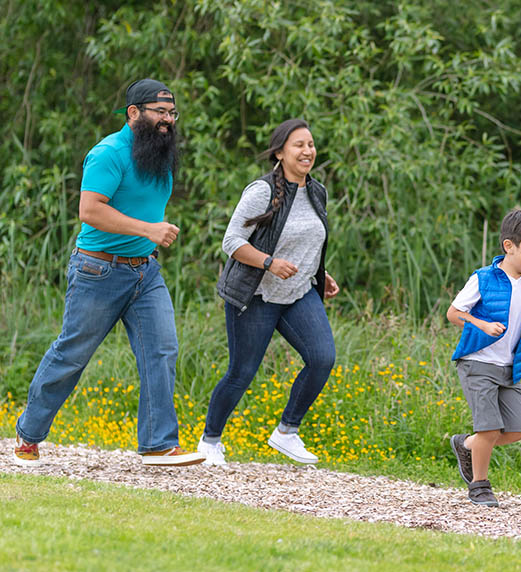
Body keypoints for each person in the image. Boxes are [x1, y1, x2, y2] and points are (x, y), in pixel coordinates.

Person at [14, 79, 205, 467]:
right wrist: (149, 229)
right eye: (160, 112)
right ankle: (28, 436)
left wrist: (148, 239)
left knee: (161, 349)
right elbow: (90, 210)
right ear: (134, 113)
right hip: (97, 271)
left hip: (144, 273)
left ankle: (158, 444)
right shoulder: (108, 153)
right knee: (72, 354)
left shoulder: (157, 153)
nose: (169, 120)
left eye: (172, 113)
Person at [198, 118, 339, 466]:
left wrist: (321, 273)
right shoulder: (261, 191)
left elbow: (307, 240)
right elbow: (231, 242)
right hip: (255, 293)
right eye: (298, 145)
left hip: (297, 293)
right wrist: (269, 263)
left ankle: (287, 432)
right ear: (279, 152)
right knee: (242, 372)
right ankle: (210, 441)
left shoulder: (316, 191)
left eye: (310, 144)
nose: (307, 151)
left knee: (322, 358)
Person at [446, 208, 521, 506]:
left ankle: (465, 444)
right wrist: (482, 325)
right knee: (488, 428)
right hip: (477, 362)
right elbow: (453, 313)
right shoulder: (484, 279)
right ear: (509, 246)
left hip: (508, 368)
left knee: (515, 430)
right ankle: (480, 485)